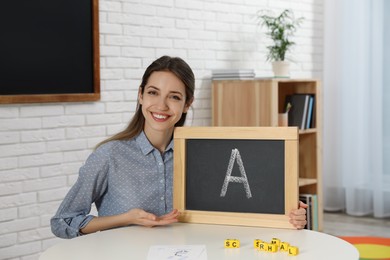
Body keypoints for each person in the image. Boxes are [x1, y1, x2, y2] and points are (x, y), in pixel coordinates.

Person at [51, 56, 307, 239]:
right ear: (140, 95)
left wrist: (285, 214)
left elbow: (235, 215)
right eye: (153, 93)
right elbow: (63, 223)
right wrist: (126, 218)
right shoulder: (109, 155)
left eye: (174, 97)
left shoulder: (204, 157)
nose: (161, 106)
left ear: (187, 104)